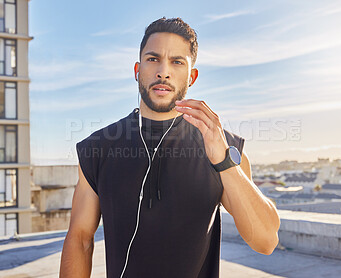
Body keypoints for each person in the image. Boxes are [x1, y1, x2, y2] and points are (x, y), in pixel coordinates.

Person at [59, 17, 280, 278]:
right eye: (153, 59)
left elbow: (265, 241)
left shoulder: (224, 148)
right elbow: (80, 239)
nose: (163, 71)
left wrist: (223, 161)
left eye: (177, 62)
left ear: (192, 76)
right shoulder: (98, 148)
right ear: (137, 70)